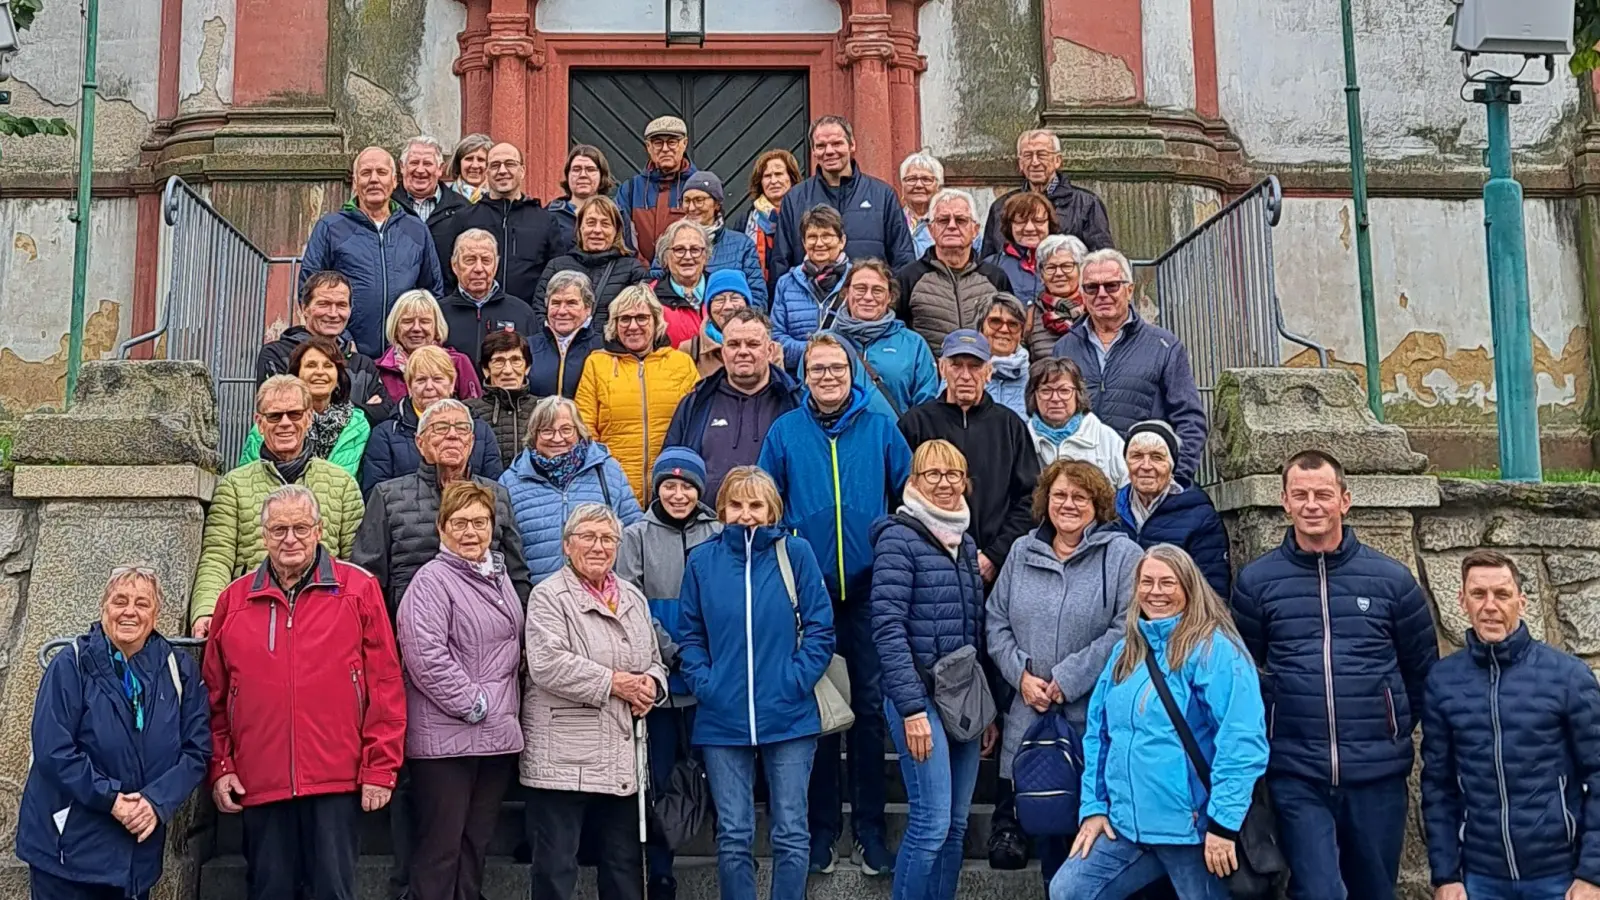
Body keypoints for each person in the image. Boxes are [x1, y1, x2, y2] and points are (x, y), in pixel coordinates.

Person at [1231, 450, 1439, 900]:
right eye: (1300, 495)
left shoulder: (1392, 580)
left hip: (1377, 774)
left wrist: (1393, 725)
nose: (1312, 505)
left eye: (1323, 494)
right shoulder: (1256, 582)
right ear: (1284, 501)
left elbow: (1421, 672)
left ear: (1345, 500)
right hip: (1296, 771)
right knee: (1319, 891)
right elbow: (1244, 672)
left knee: (1374, 890)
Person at [203, 485, 406, 900]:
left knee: (332, 892)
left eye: (300, 527)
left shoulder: (358, 589)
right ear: (263, 536)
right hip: (261, 780)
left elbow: (385, 685)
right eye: (278, 529)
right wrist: (221, 765)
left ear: (319, 530)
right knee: (268, 891)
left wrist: (380, 768)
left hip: (336, 778)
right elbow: (214, 698)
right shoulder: (233, 600)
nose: (289, 539)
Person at [758, 333, 912, 876]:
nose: (827, 377)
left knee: (868, 710)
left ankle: (870, 830)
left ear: (853, 374)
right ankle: (821, 829)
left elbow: (908, 497)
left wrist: (891, 544)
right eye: (817, 369)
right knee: (818, 710)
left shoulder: (880, 428)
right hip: (812, 590)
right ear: (805, 377)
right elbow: (766, 503)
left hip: (871, 589)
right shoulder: (785, 432)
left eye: (836, 368)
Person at [1051, 545, 1268, 900]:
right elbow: (1099, 736)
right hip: (1126, 826)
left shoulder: (1214, 649)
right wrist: (1093, 807)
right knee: (1070, 890)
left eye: (1168, 582)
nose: (1156, 591)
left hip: (1192, 829)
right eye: (1147, 582)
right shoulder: (1126, 652)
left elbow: (1242, 740)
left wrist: (1223, 824)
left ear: (1188, 587)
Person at [678, 466, 837, 900]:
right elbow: (689, 634)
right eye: (736, 505)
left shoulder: (796, 554)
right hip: (721, 718)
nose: (746, 514)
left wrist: (795, 680)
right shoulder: (702, 560)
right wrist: (706, 684)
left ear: (772, 511)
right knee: (733, 834)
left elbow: (821, 628)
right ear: (723, 509)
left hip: (789, 715)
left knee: (789, 831)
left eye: (755, 505)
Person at [986, 459, 1143, 880]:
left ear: (1098, 503)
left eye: (1080, 496)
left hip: (1090, 720)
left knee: (1092, 849)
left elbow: (1127, 627)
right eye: (1059, 495)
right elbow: (995, 620)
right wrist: (1020, 675)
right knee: (1050, 842)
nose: (1068, 504)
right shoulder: (1021, 552)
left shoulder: (1123, 555)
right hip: (1030, 717)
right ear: (1045, 500)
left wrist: (1067, 679)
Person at [18, 567, 210, 900]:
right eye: (119, 601)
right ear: (104, 607)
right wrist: (112, 800)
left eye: (142, 603)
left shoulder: (178, 669)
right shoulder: (72, 664)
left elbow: (197, 750)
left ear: (156, 613)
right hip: (69, 849)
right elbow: (54, 750)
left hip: (137, 852)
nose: (130, 611)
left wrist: (155, 802)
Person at [1423, 549, 1600, 900]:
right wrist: (1446, 876)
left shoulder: (1568, 677)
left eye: (1502, 594)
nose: (1490, 605)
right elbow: (1438, 787)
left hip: (1560, 878)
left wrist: (1592, 874)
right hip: (1479, 879)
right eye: (1478, 594)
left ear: (1522, 601)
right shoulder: (1443, 681)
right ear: (1462, 600)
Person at [522, 504, 668, 900]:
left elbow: (653, 659)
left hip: (620, 754)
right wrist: (615, 683)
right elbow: (547, 664)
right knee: (556, 869)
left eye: (608, 539)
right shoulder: (548, 596)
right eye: (588, 536)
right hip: (563, 756)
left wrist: (652, 685)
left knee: (622, 868)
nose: (599, 546)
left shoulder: (633, 597)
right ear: (567, 545)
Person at [870, 439, 996, 900]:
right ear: (913, 483)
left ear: (965, 482)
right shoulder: (898, 539)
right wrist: (910, 709)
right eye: (932, 475)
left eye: (953, 475)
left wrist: (985, 711)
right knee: (930, 821)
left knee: (957, 824)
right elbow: (886, 627)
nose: (944, 484)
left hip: (961, 697)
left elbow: (973, 631)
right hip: (919, 699)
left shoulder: (964, 541)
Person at [396, 481, 525, 900]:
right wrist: (475, 703)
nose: (471, 532)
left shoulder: (500, 577)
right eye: (460, 523)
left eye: (480, 522)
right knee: (441, 851)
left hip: (495, 739)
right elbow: (425, 657)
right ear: (442, 528)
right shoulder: (430, 582)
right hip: (447, 742)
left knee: (475, 847)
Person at [615, 448, 724, 900]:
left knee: (714, 770)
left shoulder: (718, 531)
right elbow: (631, 601)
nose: (678, 494)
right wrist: (672, 650)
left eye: (687, 486)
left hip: (709, 679)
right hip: (659, 677)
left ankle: (725, 856)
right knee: (657, 779)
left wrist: (701, 654)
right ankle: (661, 869)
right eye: (669, 485)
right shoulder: (636, 535)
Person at [189, 376, 363, 637]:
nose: (285, 423)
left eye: (294, 414)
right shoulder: (234, 485)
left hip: (325, 618)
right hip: (253, 615)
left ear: (309, 419)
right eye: (274, 416)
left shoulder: (342, 484)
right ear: (259, 423)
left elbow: (354, 562)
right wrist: (206, 610)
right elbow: (217, 556)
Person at [351, 396, 532, 624]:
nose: (453, 435)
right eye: (441, 428)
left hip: (487, 631)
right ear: (420, 442)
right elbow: (368, 575)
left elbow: (516, 574)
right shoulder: (387, 496)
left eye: (462, 428)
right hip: (410, 628)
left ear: (472, 441)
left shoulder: (496, 495)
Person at [1050, 248, 1207, 482]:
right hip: (1082, 486)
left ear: (1129, 289)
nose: (1101, 294)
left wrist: (1176, 478)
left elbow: (1190, 420)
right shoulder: (1064, 348)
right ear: (1082, 294)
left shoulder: (1164, 346)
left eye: (1112, 285)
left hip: (1143, 484)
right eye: (1092, 287)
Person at [900, 331, 1040, 583]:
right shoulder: (915, 423)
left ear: (988, 372)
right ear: (942, 369)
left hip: (997, 570)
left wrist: (995, 556)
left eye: (975, 366)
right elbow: (898, 494)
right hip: (928, 567)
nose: (965, 375)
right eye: (956, 365)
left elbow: (1029, 498)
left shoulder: (1009, 425)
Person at [300, 146, 444, 357]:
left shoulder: (416, 229)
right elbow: (308, 288)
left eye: (382, 172)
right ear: (355, 182)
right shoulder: (331, 228)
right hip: (346, 353)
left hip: (403, 356)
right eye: (366, 173)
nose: (374, 179)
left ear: (394, 181)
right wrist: (342, 340)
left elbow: (433, 292)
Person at [575, 284, 700, 506]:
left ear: (656, 321)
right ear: (614, 325)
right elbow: (585, 429)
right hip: (614, 488)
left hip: (671, 488)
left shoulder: (681, 363)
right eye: (624, 319)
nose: (633, 326)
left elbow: (696, 425)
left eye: (642, 318)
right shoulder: (597, 364)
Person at [501, 395, 643, 583]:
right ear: (534, 435)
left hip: (602, 593)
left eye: (566, 429)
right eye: (546, 431)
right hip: (538, 598)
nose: (557, 438)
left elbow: (633, 533)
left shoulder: (607, 470)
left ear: (579, 431)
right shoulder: (511, 481)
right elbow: (505, 549)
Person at [665, 307, 800, 500]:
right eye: (734, 344)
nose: (742, 352)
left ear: (770, 350)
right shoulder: (696, 403)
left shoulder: (794, 402)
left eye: (753, 344)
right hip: (709, 526)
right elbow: (671, 469)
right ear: (723, 350)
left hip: (776, 526)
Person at [772, 115, 916, 280]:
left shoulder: (882, 195)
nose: (829, 151)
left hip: (869, 301)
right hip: (810, 302)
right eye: (821, 146)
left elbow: (903, 259)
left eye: (836, 143)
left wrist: (894, 301)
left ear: (852, 144)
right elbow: (780, 262)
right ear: (813, 151)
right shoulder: (795, 199)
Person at [360, 345, 503, 495]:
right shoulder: (385, 434)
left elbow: (493, 490)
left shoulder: (479, 430)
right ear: (409, 386)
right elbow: (376, 495)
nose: (429, 387)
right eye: (421, 380)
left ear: (452, 384)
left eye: (437, 379)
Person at [255, 270, 392, 424]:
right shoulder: (276, 354)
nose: (333, 314)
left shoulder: (363, 364)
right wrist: (363, 412)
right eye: (324, 304)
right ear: (304, 308)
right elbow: (281, 413)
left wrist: (317, 409)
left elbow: (385, 412)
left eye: (341, 305)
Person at [1113, 421, 1230, 597]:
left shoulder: (1199, 514)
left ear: (1172, 465)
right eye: (1136, 456)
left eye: (1157, 457)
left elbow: (1213, 589)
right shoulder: (1109, 510)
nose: (1146, 466)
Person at [439, 142, 565, 302]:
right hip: (474, 315)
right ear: (487, 172)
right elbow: (448, 272)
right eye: (495, 165)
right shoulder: (464, 219)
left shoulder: (545, 221)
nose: (502, 171)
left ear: (523, 171)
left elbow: (556, 275)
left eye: (510, 164)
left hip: (528, 318)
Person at [240, 336, 371, 480]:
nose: (320, 372)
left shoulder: (357, 425)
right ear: (296, 374)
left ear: (339, 376)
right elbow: (247, 480)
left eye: (328, 365)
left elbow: (347, 482)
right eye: (311, 365)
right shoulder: (271, 421)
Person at [896, 189, 1012, 351]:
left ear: (975, 230)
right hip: (929, 373)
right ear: (931, 230)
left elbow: (1011, 331)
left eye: (961, 220)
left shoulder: (995, 277)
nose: (952, 226)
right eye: (943, 220)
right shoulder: (908, 277)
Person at [980, 129, 1113, 260]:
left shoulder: (1086, 204)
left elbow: (1102, 259)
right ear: (1020, 163)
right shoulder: (1001, 206)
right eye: (1027, 156)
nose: (1035, 162)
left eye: (1042, 155)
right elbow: (988, 262)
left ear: (1057, 160)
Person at [831, 259, 939, 415]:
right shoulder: (825, 342)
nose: (868, 297)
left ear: (889, 297)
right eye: (860, 288)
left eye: (877, 290)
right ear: (846, 293)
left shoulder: (913, 344)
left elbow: (925, 405)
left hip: (894, 437)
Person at [535, 195, 651, 335]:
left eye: (605, 224)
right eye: (591, 223)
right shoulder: (556, 266)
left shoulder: (632, 269)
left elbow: (643, 314)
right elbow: (539, 310)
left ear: (616, 231)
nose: (597, 230)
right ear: (580, 228)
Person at [657, 170, 768, 309]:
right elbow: (655, 284)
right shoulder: (670, 240)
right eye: (687, 201)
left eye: (699, 200)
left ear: (716, 204)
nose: (691, 208)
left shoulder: (742, 245)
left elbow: (757, 296)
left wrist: (733, 326)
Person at [438, 227, 538, 366]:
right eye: (470, 260)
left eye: (486, 260)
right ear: (455, 265)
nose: (478, 268)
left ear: (496, 265)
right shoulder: (438, 314)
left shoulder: (522, 313)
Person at [770, 204, 851, 371]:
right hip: (798, 380)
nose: (819, 243)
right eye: (812, 237)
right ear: (804, 242)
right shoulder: (786, 283)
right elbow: (776, 338)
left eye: (827, 236)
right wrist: (812, 351)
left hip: (843, 376)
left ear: (842, 241)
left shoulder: (856, 280)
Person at [1027, 357, 1127, 483]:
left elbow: (1128, 489)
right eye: (1046, 391)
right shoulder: (1022, 439)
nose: (1055, 398)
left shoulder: (1106, 438)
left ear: (1078, 394)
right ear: (1033, 395)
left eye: (1064, 391)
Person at [616, 115, 699, 266]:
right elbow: (619, 234)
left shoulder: (699, 186)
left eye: (672, 142)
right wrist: (641, 267)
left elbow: (709, 230)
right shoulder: (630, 189)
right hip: (639, 277)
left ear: (684, 144)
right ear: (648, 147)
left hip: (685, 274)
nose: (665, 149)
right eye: (658, 143)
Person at [374, 289, 483, 402]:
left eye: (425, 321)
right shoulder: (378, 370)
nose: (416, 328)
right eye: (407, 321)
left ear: (436, 327)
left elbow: (475, 411)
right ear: (395, 328)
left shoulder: (457, 363)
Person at [393, 135, 470, 281]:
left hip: (445, 300)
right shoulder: (387, 206)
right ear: (402, 167)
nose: (420, 170)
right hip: (398, 300)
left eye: (427, 163)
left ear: (440, 169)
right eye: (414, 162)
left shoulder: (462, 208)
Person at [528, 270, 606, 400]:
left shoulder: (603, 348)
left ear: (588, 308)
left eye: (571, 303)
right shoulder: (528, 346)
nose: (562, 311)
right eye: (556, 303)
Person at [466, 328, 538, 468]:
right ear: (486, 369)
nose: (507, 370)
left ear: (527, 367)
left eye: (516, 360)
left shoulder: (544, 409)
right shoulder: (468, 411)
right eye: (499, 361)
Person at [736, 148, 801, 287]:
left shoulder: (804, 215)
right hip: (758, 292)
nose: (773, 181)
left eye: (778, 174)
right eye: (767, 176)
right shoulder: (746, 220)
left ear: (791, 178)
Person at [678, 269, 758, 380]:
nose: (728, 306)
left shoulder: (768, 348)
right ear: (709, 308)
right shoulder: (689, 350)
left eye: (735, 298)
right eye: (719, 300)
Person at [982, 191, 1056, 307]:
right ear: (1009, 225)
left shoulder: (1067, 264)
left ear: (1049, 224)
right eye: (1021, 221)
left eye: (1038, 221)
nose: (1029, 228)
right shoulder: (990, 266)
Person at [652, 219, 713, 346]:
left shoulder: (724, 291)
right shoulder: (649, 297)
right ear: (665, 257)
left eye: (695, 250)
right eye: (679, 250)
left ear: (705, 256)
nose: (688, 256)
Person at [1027, 235, 1088, 360]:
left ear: (1081, 271)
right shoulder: (1030, 316)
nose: (1059, 273)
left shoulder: (1093, 310)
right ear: (1041, 275)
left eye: (1067, 266)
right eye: (1051, 267)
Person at [548, 144, 619, 250]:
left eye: (590, 169)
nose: (583, 175)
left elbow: (626, 253)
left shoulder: (617, 214)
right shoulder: (550, 215)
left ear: (602, 175)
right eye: (576, 169)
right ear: (568, 175)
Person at [973, 294, 1031, 418]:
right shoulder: (960, 373)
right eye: (995, 322)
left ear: (1021, 333)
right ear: (980, 328)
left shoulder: (1035, 380)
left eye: (1013, 324)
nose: (1004, 329)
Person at [900, 151, 961, 258]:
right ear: (902, 186)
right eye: (911, 179)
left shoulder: (957, 221)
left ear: (939, 187)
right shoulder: (893, 220)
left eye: (926, 179)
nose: (918, 185)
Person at [447, 133, 494, 203]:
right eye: (469, 159)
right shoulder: (443, 196)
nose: (475, 165)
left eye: (481, 159)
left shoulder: (500, 198)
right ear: (458, 163)